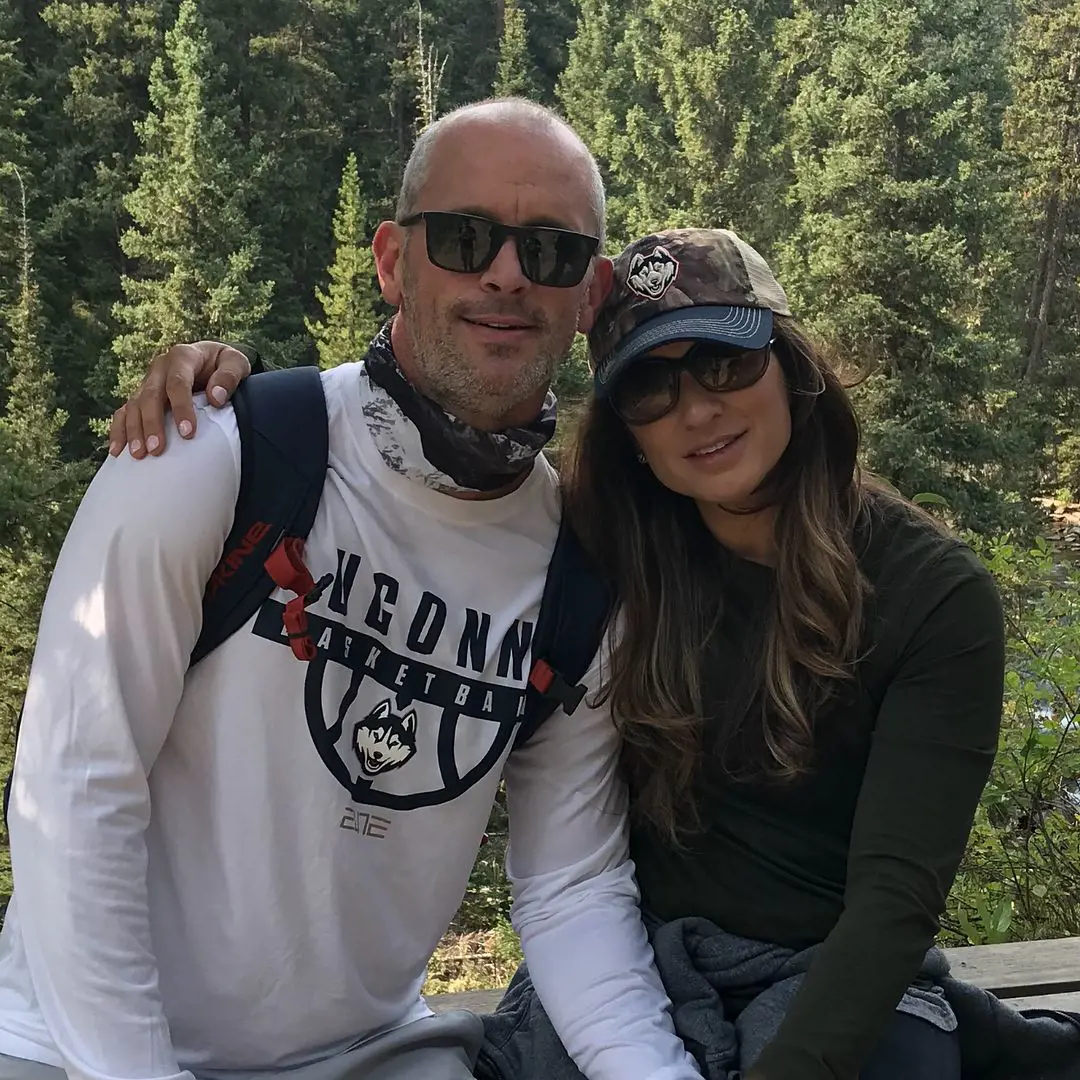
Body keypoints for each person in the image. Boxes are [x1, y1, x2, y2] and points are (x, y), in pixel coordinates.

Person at [136, 229, 1012, 1080]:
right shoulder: (603, 546)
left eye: (724, 363)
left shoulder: (930, 599)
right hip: (636, 959)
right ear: (627, 426)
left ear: (792, 365)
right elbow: (429, 475)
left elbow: (894, 905)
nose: (697, 411)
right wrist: (229, 387)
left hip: (832, 970)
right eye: (650, 391)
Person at [0, 99, 704, 1080]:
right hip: (72, 1049)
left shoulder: (580, 577)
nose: (506, 273)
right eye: (465, 238)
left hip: (370, 1056)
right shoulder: (216, 456)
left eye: (548, 250)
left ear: (586, 296)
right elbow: (74, 788)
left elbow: (571, 888)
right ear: (391, 261)